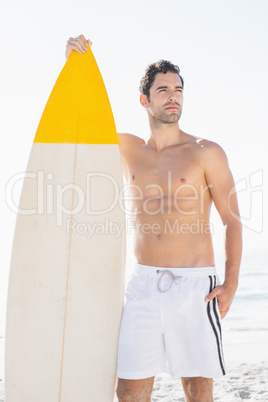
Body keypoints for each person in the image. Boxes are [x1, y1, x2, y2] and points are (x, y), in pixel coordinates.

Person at [65, 35, 242, 402]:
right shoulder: (128, 147)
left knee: (197, 390)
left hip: (196, 288)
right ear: (145, 100)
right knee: (128, 390)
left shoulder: (205, 152)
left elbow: (233, 221)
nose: (173, 95)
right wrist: (73, 65)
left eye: (178, 89)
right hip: (143, 286)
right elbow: (78, 129)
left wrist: (231, 283)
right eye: (163, 90)